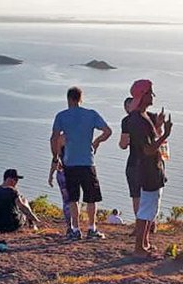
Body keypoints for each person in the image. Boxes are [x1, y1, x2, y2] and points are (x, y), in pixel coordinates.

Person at [50, 86, 113, 240]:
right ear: (80, 98)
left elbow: (54, 138)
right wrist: (96, 141)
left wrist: (55, 157)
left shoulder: (61, 116)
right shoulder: (91, 114)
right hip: (87, 162)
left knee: (73, 199)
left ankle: (75, 230)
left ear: (68, 99)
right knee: (91, 198)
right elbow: (108, 131)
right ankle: (92, 229)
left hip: (69, 162)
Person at [126, 79, 172, 257]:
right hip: (147, 170)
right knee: (146, 209)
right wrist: (166, 134)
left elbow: (148, 142)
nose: (153, 96)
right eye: (150, 92)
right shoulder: (138, 120)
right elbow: (147, 149)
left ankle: (144, 243)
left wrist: (158, 126)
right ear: (142, 95)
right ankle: (139, 248)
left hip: (152, 168)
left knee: (151, 208)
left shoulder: (144, 117)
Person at [47, 149, 71, 234]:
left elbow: (55, 161)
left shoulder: (60, 146)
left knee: (67, 201)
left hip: (61, 175)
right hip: (66, 176)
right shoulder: (69, 150)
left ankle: (70, 225)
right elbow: (56, 162)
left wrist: (50, 176)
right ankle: (71, 226)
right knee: (71, 201)